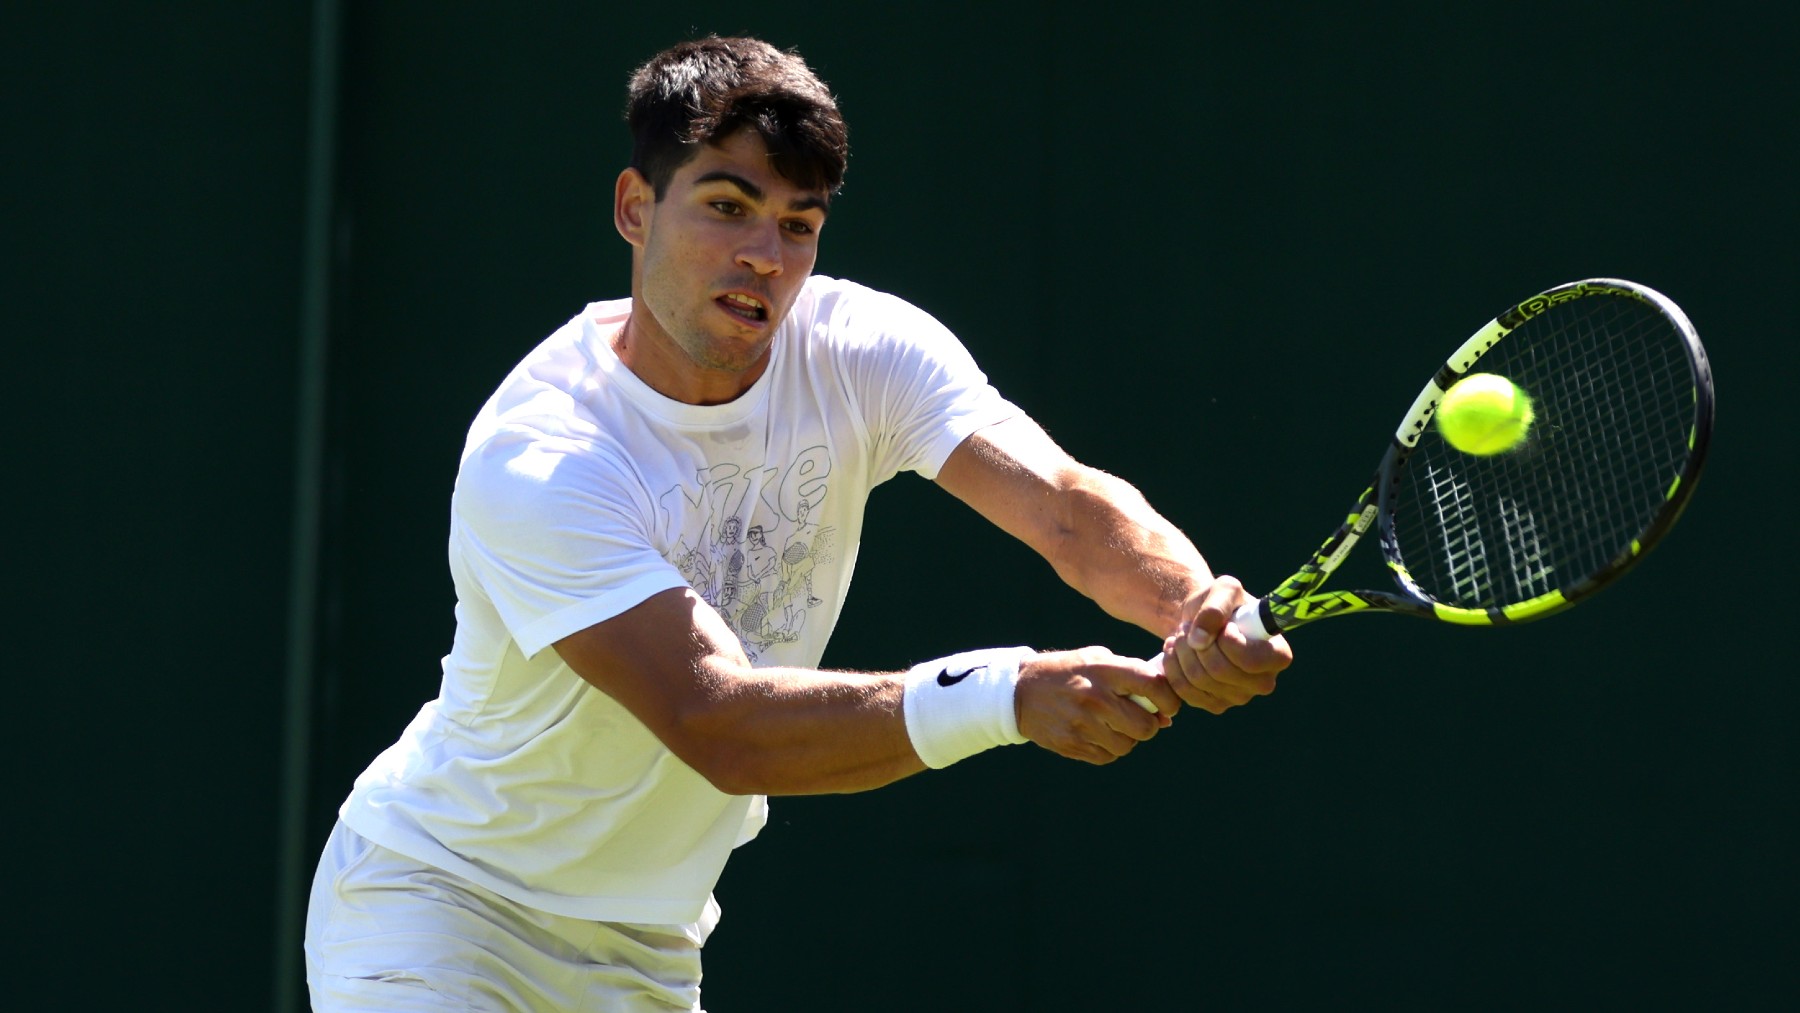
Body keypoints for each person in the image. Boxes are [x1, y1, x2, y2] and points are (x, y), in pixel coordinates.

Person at [304, 35, 1293, 1012]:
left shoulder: (864, 349)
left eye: (798, 224)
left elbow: (1067, 507)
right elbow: (718, 721)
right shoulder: (545, 455)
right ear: (635, 209)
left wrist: (1192, 607)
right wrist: (1007, 694)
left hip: (645, 949)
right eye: (728, 208)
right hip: (438, 912)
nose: (764, 257)